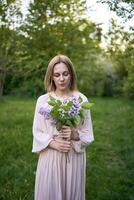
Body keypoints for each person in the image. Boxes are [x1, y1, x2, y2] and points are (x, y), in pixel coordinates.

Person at [32, 54, 94, 200]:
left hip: (73, 157)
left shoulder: (80, 99)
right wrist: (54, 144)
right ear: (51, 77)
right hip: (51, 157)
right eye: (57, 75)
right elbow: (37, 131)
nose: (61, 79)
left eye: (65, 74)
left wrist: (75, 135)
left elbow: (88, 132)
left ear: (71, 75)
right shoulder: (43, 101)